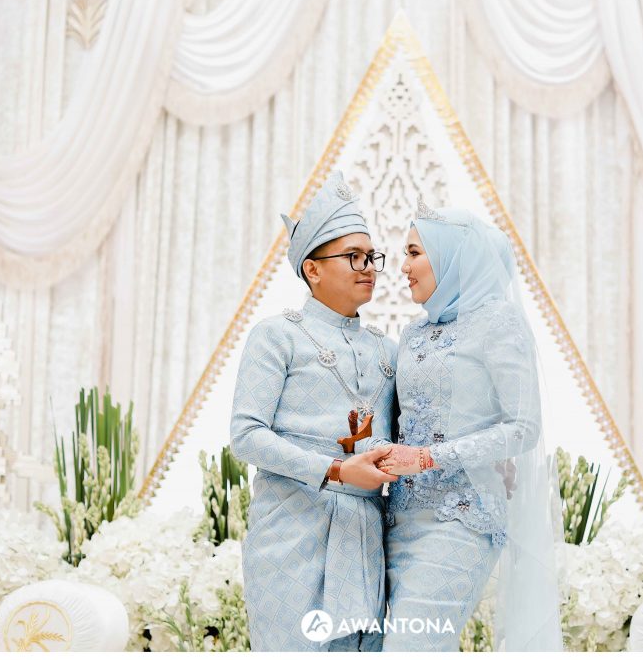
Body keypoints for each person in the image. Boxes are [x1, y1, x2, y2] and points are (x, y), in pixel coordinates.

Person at [375, 199, 564, 651]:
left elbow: (524, 426)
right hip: (399, 520)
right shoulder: (412, 334)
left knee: (410, 649)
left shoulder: (498, 321)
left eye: (414, 252)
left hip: (461, 518)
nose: (403, 267)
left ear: (451, 255)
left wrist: (430, 458)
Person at [229, 170, 400, 651]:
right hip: (292, 535)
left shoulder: (388, 351)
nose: (368, 268)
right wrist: (337, 471)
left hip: (364, 536)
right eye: (353, 256)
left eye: (372, 257)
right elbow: (247, 436)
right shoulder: (276, 336)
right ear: (312, 269)